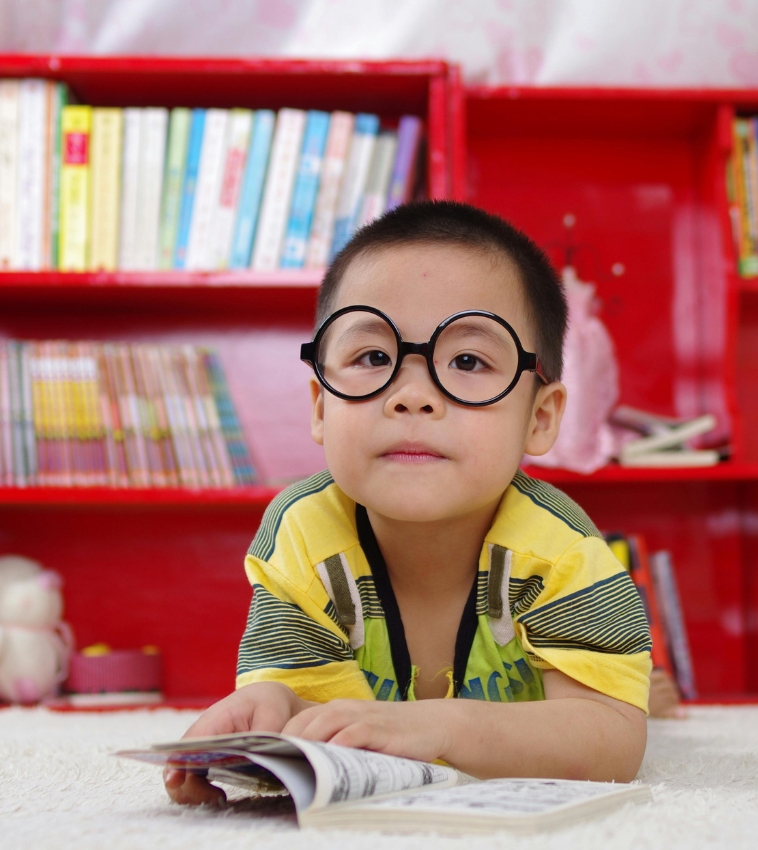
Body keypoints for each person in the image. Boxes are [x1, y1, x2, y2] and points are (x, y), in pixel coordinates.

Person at [166, 201, 652, 806]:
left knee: (636, 694)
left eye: (469, 361)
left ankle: (648, 681)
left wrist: (438, 724)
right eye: (374, 358)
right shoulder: (302, 535)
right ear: (320, 406)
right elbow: (321, 712)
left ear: (541, 417)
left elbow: (614, 740)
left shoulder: (561, 550)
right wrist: (277, 710)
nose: (413, 396)